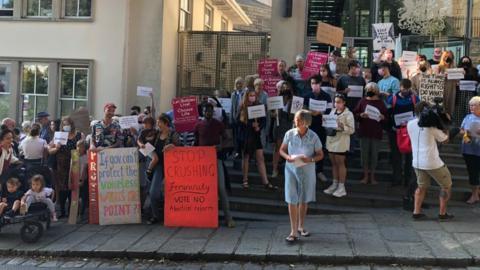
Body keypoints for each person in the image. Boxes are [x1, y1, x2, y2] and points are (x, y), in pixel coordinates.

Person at [279, 110, 324, 243]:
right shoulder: (289, 133)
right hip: (291, 169)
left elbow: (320, 154)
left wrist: (309, 160)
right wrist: (288, 157)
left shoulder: (314, 136)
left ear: (305, 121)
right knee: (291, 199)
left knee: (304, 199)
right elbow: (281, 150)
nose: (295, 121)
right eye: (295, 119)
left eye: (298, 119)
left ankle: (301, 226)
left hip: (307, 169)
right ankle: (293, 231)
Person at [407, 101, 453, 221]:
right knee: (446, 186)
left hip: (417, 161)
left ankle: (416, 212)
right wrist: (445, 125)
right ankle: (442, 213)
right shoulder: (431, 127)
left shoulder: (410, 124)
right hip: (432, 162)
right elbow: (444, 140)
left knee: (421, 187)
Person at [194, 103, 235, 228]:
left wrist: (220, 147)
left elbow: (228, 139)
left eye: (210, 111)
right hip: (202, 161)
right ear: (203, 112)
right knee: (202, 190)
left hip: (216, 160)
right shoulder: (198, 125)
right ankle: (203, 217)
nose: (208, 112)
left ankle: (228, 218)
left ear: (213, 112)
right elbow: (195, 142)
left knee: (221, 188)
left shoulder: (218, 124)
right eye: (206, 110)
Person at [238, 89, 277, 190]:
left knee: (260, 158)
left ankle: (265, 182)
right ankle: (245, 180)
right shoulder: (243, 107)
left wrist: (259, 126)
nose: (252, 97)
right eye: (250, 95)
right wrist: (251, 124)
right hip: (246, 136)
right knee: (246, 158)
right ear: (247, 96)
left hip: (256, 136)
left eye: (253, 95)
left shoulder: (259, 106)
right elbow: (240, 122)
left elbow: (263, 120)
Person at [47, 117, 84, 218]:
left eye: (67, 124)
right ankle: (62, 210)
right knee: (62, 187)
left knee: (73, 186)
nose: (66, 126)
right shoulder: (59, 136)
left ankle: (72, 210)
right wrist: (56, 148)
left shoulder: (79, 135)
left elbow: (83, 151)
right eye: (64, 124)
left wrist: (79, 146)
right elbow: (49, 151)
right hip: (61, 165)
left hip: (74, 162)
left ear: (72, 124)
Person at [148, 114, 180, 224]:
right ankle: (155, 215)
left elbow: (182, 150)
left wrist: (173, 147)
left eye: (159, 122)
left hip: (172, 168)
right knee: (153, 193)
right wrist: (152, 156)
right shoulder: (157, 134)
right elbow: (148, 145)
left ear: (166, 123)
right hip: (159, 166)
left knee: (170, 192)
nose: (157, 124)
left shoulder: (174, 135)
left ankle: (170, 214)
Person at [386, 79, 419, 187]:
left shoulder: (414, 98)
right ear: (400, 87)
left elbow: (419, 112)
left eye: (408, 89)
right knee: (396, 156)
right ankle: (397, 178)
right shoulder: (393, 98)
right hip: (395, 131)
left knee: (409, 157)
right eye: (404, 88)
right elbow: (387, 113)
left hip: (410, 132)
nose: (405, 90)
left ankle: (408, 180)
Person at [353, 82, 388, 184]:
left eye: (372, 90)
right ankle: (365, 176)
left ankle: (372, 177)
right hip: (364, 132)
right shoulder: (362, 101)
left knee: (374, 156)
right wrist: (361, 115)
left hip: (376, 132)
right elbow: (355, 114)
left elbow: (387, 118)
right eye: (368, 90)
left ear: (377, 91)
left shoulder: (381, 103)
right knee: (364, 155)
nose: (370, 91)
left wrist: (383, 117)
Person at [324, 94, 355, 197]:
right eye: (335, 102)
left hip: (341, 141)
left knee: (340, 163)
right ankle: (335, 183)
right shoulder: (332, 111)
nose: (336, 104)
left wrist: (342, 126)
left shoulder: (348, 114)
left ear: (344, 102)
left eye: (339, 102)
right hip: (331, 140)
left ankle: (341, 187)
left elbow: (351, 130)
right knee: (333, 163)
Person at [304, 73, 332, 182]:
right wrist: (311, 112)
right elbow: (302, 110)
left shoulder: (326, 96)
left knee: (319, 149)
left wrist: (321, 112)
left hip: (321, 126)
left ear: (320, 83)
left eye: (316, 83)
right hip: (309, 126)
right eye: (312, 83)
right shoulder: (307, 96)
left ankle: (319, 171)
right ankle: (308, 170)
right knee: (308, 149)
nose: (314, 85)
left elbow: (330, 110)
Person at [459, 96, 480, 204]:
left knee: (477, 173)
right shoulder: (467, 117)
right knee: (472, 173)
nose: (471, 107)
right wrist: (466, 133)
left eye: (474, 105)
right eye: (470, 105)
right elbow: (461, 130)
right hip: (468, 149)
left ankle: (476, 194)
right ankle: (474, 195)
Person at [271, 80, 294, 178]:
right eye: (283, 87)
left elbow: (297, 113)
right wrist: (273, 114)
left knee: (290, 148)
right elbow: (271, 113)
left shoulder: (294, 100)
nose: (285, 89)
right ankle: (274, 169)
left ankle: (290, 171)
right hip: (279, 125)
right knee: (278, 147)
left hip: (289, 125)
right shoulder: (276, 99)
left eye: (286, 87)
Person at [435, 51, 457, 116]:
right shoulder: (439, 67)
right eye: (445, 56)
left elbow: (458, 80)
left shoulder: (455, 68)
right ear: (443, 57)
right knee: (442, 104)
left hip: (451, 88)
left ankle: (449, 119)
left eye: (449, 57)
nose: (447, 58)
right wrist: (442, 75)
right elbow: (434, 78)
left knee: (450, 104)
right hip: (442, 88)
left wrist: (461, 73)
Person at [231, 77, 245, 157]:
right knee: (236, 135)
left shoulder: (245, 93)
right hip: (235, 117)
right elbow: (232, 107)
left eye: (240, 83)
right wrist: (231, 119)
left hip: (242, 117)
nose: (238, 85)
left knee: (241, 135)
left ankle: (242, 150)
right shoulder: (233, 94)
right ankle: (237, 151)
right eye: (237, 83)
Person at [77, 140, 89, 216]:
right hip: (76, 179)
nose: (78, 148)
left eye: (80, 147)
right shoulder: (75, 156)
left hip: (83, 180)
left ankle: (81, 213)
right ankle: (76, 212)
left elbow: (85, 170)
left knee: (84, 196)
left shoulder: (86, 157)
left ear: (84, 148)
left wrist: (82, 180)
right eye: (77, 146)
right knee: (76, 197)